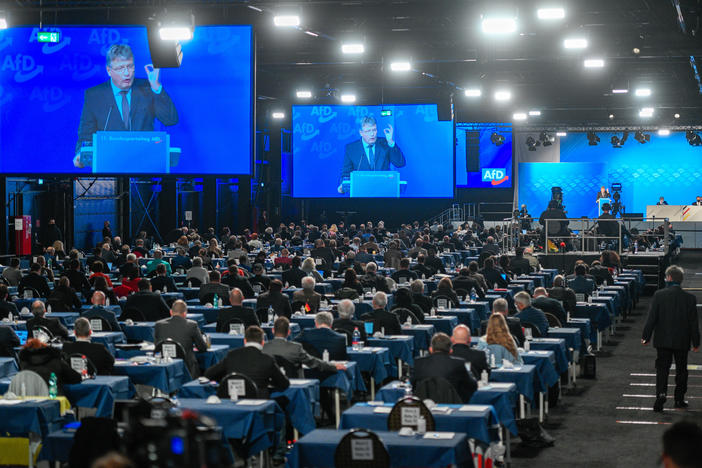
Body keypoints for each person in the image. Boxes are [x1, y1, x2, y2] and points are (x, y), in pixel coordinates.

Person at [73, 44, 178, 166]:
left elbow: (170, 120)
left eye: (130, 66)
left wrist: (155, 86)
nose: (127, 73)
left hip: (142, 168)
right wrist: (81, 154)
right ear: (109, 70)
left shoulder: (147, 88)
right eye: (120, 68)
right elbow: (86, 134)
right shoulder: (94, 95)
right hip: (108, 169)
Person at [642, 265, 700, 412]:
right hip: (682, 340)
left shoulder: (659, 295)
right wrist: (696, 342)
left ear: (669, 278)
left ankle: (661, 394)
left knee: (662, 369)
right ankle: (679, 399)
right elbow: (694, 323)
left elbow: (652, 318)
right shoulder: (690, 299)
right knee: (682, 370)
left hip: (663, 339)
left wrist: (646, 336)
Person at [205, 325, 289, 398]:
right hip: (258, 405)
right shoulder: (267, 359)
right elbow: (284, 384)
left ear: (245, 341)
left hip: (232, 400)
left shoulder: (232, 355)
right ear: (263, 343)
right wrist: (269, 382)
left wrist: (225, 381)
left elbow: (209, 374)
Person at [337, 115, 406, 193]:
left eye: (374, 130)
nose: (372, 134)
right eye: (368, 131)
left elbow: (400, 163)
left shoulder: (385, 143)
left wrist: (390, 142)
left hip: (383, 192)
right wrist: (343, 185)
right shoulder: (351, 148)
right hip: (361, 194)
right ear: (361, 133)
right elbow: (346, 173)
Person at [264, 317, 344, 378]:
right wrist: (333, 366)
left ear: (273, 330)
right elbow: (313, 362)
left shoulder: (263, 348)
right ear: (289, 332)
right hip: (292, 385)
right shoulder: (295, 348)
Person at [411, 332, 478, 403]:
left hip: (424, 408)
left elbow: (413, 386)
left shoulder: (418, 363)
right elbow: (472, 386)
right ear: (451, 350)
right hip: (452, 407)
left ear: (431, 349)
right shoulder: (458, 363)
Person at [155, 300, 208, 378]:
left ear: (170, 312)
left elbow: (157, 346)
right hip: (187, 369)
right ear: (185, 313)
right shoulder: (192, 325)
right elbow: (202, 348)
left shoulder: (159, 325)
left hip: (166, 367)